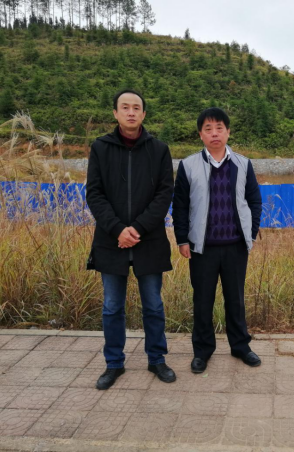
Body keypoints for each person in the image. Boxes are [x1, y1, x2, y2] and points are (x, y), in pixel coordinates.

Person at [86, 89, 176, 389]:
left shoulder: (159, 149)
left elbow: (164, 194)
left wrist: (136, 228)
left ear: (144, 114)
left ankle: (157, 359)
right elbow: (94, 194)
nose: (131, 112)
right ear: (115, 113)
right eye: (125, 107)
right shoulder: (100, 147)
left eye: (136, 107)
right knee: (112, 306)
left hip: (148, 240)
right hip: (111, 240)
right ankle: (114, 363)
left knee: (153, 304)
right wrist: (118, 230)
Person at [172, 107, 263, 373]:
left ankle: (241, 346)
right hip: (203, 248)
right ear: (200, 134)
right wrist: (182, 239)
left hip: (235, 245)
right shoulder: (188, 165)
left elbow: (254, 201)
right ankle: (202, 351)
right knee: (203, 301)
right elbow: (180, 206)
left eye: (219, 128)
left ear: (228, 132)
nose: (214, 133)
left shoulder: (243, 164)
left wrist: (250, 233)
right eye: (208, 129)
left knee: (236, 299)